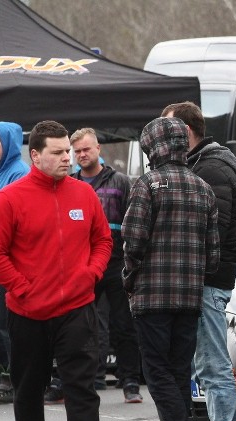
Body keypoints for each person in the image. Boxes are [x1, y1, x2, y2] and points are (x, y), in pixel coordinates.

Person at [0, 120, 112, 421]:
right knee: (28, 385)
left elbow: (102, 240)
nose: (66, 158)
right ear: (35, 155)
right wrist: (20, 287)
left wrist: (90, 275)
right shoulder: (11, 198)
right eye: (57, 152)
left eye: (68, 151)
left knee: (81, 386)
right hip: (27, 311)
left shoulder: (84, 194)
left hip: (76, 307)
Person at [122, 117, 219, 421]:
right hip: (190, 295)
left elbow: (133, 241)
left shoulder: (147, 184)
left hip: (151, 294)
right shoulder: (203, 187)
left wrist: (130, 279)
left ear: (152, 147)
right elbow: (213, 256)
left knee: (156, 369)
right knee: (178, 369)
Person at [162, 101, 236, 421]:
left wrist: (196, 273)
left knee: (213, 365)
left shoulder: (210, 168)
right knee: (207, 364)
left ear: (185, 131)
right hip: (205, 279)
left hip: (208, 281)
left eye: (169, 131)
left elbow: (213, 231)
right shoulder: (205, 164)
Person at [63, 127, 143, 403]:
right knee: (82, 324)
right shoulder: (69, 183)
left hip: (116, 263)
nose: (82, 154)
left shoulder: (120, 181)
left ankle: (130, 381)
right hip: (82, 264)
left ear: (98, 149)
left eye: (86, 149)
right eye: (78, 151)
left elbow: (133, 222)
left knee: (123, 324)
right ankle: (89, 377)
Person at [0, 122, 28, 405]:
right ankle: (8, 369)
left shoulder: (20, 174)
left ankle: (14, 378)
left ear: (9, 143)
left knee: (7, 321)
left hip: (8, 260)